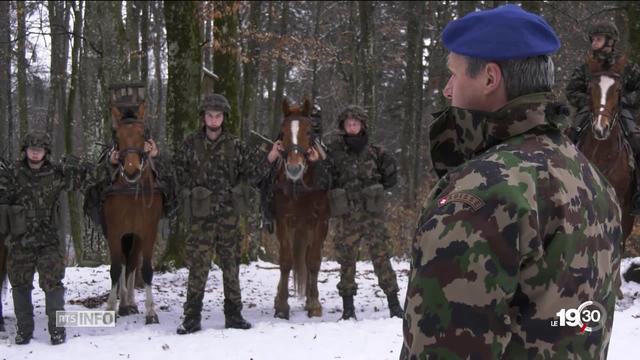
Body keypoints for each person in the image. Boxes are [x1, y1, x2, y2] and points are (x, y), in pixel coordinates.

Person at [401, 5, 621, 359]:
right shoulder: (591, 178)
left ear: (489, 78)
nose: (447, 89)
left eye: (454, 74)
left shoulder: (483, 191)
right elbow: (581, 324)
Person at [174, 93, 281, 334]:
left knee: (231, 267)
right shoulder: (190, 144)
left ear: (224, 118)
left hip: (229, 217)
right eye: (210, 115)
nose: (214, 120)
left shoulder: (235, 145)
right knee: (198, 267)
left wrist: (271, 156)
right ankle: (191, 317)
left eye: (218, 116)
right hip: (201, 218)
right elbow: (177, 175)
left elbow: (253, 175)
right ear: (203, 117)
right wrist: (191, 193)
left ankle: (234, 314)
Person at [4, 130, 108, 345]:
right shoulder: (12, 173)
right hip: (20, 241)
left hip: (48, 241)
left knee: (53, 285)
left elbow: (90, 177)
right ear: (25, 150)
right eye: (32, 149)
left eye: (39, 149)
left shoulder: (57, 173)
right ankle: (24, 331)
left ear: (46, 152)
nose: (35, 153)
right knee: (20, 285)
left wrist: (112, 162)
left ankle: (57, 331)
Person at [324, 104, 403, 320]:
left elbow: (391, 178)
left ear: (362, 125)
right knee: (346, 261)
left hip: (372, 216)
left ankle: (394, 305)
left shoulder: (377, 152)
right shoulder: (333, 152)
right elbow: (324, 180)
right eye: (348, 123)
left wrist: (376, 191)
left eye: (356, 123)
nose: (352, 126)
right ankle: (348, 309)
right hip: (346, 216)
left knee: (381, 257)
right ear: (343, 126)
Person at [566, 21, 640, 214]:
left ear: (610, 41)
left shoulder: (627, 67)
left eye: (598, 38)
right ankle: (563, 187)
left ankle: (637, 194)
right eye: (593, 39)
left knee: (636, 141)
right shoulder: (586, 67)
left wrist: (624, 100)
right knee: (569, 137)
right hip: (591, 109)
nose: (593, 42)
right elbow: (572, 91)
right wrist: (591, 101)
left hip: (620, 109)